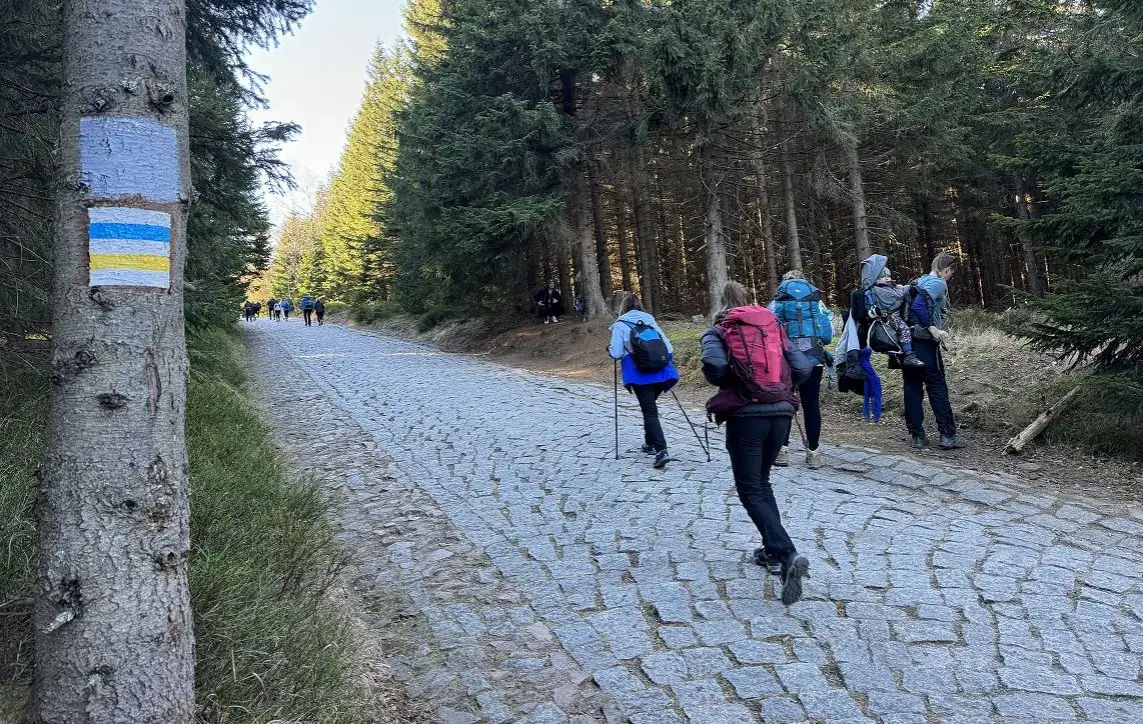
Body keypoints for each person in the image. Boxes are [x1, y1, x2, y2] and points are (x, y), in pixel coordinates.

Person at [701, 281, 814, 604]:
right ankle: (771, 551)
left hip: (746, 417)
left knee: (750, 489)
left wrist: (734, 384)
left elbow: (716, 367)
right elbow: (803, 367)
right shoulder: (773, 327)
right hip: (781, 415)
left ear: (720, 304)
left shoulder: (719, 331)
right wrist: (781, 389)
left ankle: (788, 553)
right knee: (762, 483)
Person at [769, 270, 835, 470]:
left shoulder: (777, 303)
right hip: (813, 359)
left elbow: (769, 332)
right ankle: (814, 453)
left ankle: (782, 451)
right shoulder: (816, 303)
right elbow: (827, 336)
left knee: (785, 403)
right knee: (811, 405)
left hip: (787, 360)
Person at [608, 293, 680, 469]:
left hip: (639, 374)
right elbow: (668, 347)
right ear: (640, 305)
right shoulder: (650, 320)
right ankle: (650, 442)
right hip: (661, 371)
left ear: (623, 307)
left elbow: (616, 354)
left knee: (649, 411)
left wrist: (609, 351)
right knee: (649, 409)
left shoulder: (620, 324)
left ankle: (661, 449)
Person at [904, 252, 966, 450]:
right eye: (951, 273)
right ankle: (947, 435)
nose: (950, 277)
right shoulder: (937, 283)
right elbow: (918, 306)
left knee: (912, 387)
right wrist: (932, 327)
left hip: (907, 343)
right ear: (946, 269)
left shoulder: (920, 281)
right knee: (937, 386)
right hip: (924, 343)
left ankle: (917, 436)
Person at [862, 255, 924, 368]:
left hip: (890, 316)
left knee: (894, 335)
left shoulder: (890, 288)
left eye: (888, 276)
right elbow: (897, 295)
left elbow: (900, 290)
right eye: (882, 277)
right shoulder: (877, 291)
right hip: (888, 316)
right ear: (875, 278)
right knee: (904, 329)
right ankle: (909, 355)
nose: (886, 279)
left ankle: (893, 358)